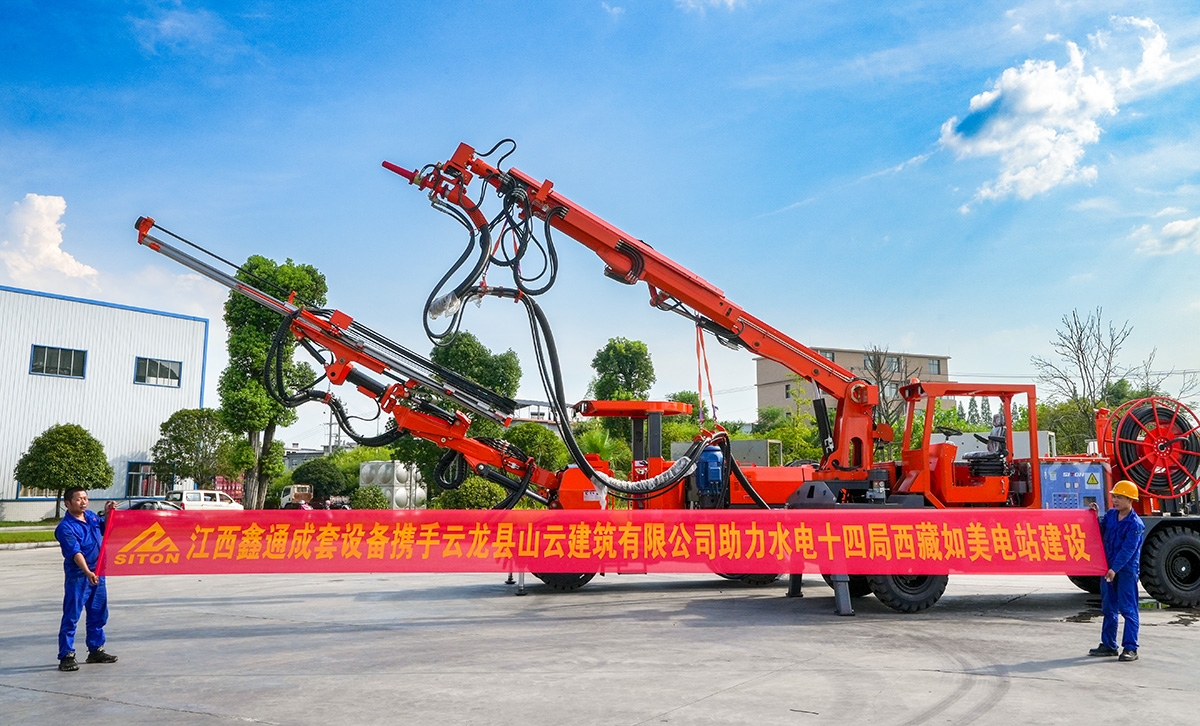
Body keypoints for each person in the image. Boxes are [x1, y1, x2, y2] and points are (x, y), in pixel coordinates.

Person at [54, 486, 117, 671]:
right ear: (67, 503)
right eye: (78, 499)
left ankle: (96, 650)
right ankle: (66, 655)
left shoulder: (90, 517)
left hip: (98, 573)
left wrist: (108, 513)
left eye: (85, 498)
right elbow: (75, 552)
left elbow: (106, 529)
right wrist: (88, 572)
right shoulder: (65, 528)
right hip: (80, 576)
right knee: (72, 615)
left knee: (98, 613)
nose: (83, 502)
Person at [1087, 480, 1145, 662]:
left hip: (1125, 571)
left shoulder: (1135, 524)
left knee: (1128, 609)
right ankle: (1109, 645)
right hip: (1108, 569)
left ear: (1130, 500)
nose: (1116, 500)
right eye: (1115, 497)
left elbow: (1128, 550)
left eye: (1120, 497)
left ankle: (1130, 648)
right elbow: (1099, 532)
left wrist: (1114, 569)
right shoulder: (1111, 515)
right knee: (1108, 607)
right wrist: (1095, 516)